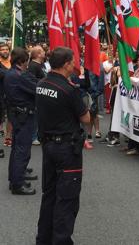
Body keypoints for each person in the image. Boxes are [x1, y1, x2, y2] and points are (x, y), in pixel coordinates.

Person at [36, 47, 91, 244]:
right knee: (67, 200)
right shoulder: (69, 90)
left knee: (49, 195)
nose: (74, 64)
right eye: (73, 61)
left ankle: (43, 239)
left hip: (49, 146)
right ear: (67, 63)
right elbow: (85, 118)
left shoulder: (41, 83)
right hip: (67, 150)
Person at [5, 47, 39, 195]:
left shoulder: (12, 73)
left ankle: (15, 178)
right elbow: (36, 88)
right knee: (21, 149)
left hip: (18, 114)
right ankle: (17, 184)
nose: (28, 63)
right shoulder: (19, 76)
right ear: (22, 61)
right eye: (27, 60)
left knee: (17, 148)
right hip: (23, 115)